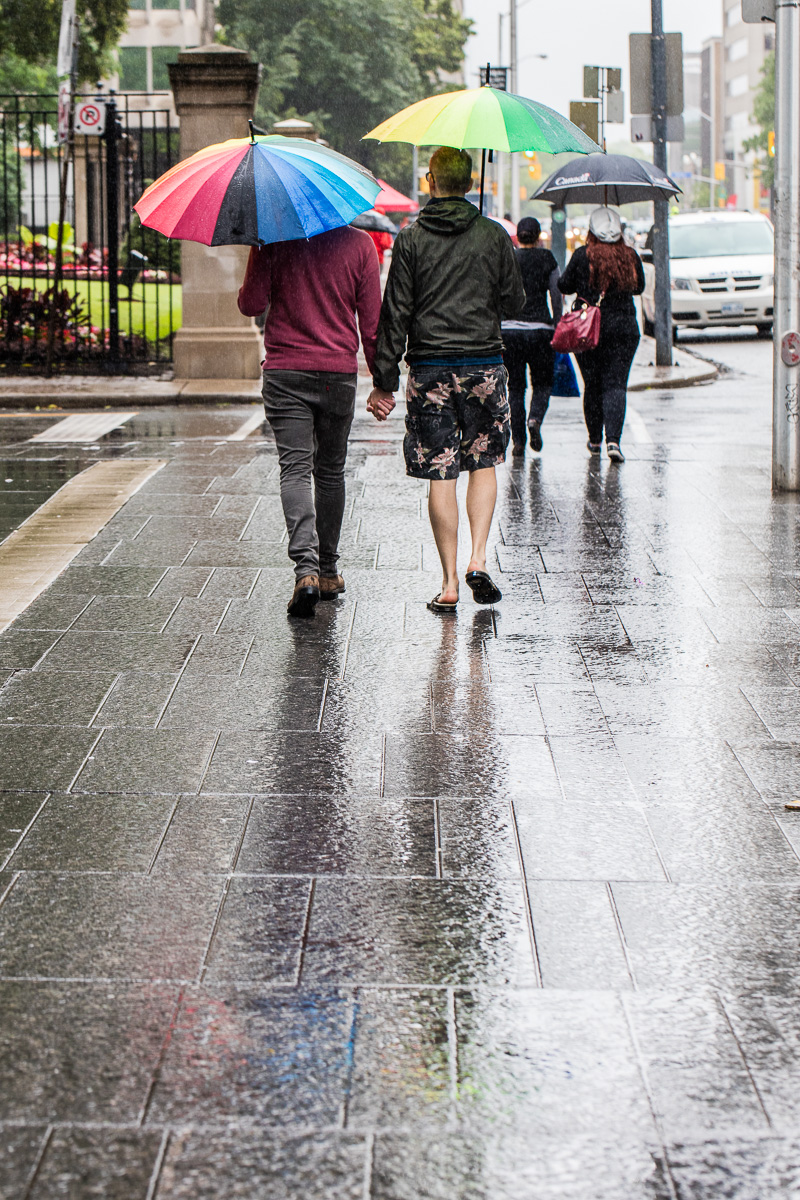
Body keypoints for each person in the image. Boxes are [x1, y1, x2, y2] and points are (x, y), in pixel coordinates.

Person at [366, 145, 525, 613]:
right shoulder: (493, 236)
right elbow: (514, 302)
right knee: (483, 462)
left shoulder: (411, 239)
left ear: (431, 182)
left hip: (430, 368)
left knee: (441, 471)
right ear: (471, 184)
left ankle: (451, 581)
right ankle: (479, 557)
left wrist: (384, 380)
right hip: (483, 365)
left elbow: (395, 312)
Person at [238, 225, 381, 619]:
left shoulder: (272, 238)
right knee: (331, 471)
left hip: (286, 372)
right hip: (337, 373)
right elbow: (371, 324)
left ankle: (306, 573)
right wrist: (383, 380)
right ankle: (329, 570)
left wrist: (258, 251)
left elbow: (250, 305)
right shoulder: (359, 244)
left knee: (295, 470)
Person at [557, 207, 645, 463]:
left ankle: (594, 439)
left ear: (591, 232)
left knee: (592, 385)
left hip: (587, 330)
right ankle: (613, 441)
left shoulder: (582, 255)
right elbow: (640, 287)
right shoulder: (629, 255)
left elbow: (565, 285)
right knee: (616, 384)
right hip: (624, 329)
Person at [501, 216, 562, 455]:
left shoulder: (509, 259)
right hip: (540, 330)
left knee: (515, 387)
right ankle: (535, 419)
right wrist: (557, 323)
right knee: (543, 383)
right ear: (538, 236)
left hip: (510, 332)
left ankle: (518, 441)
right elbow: (556, 294)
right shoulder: (547, 258)